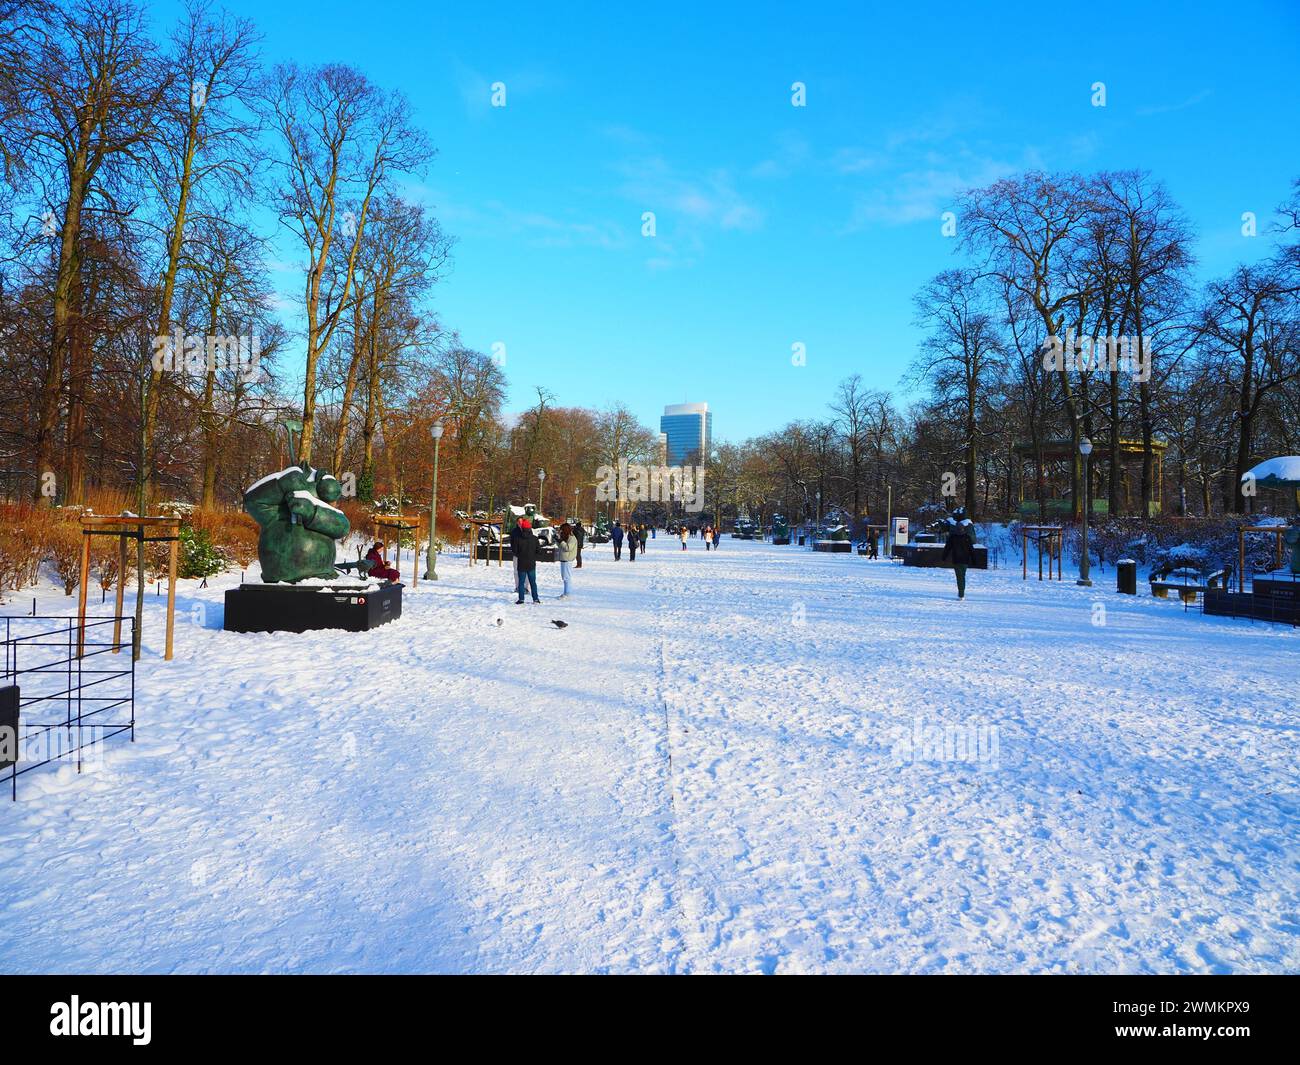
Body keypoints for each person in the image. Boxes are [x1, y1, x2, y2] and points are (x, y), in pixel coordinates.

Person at [941, 518, 976, 600]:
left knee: (959, 576)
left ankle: (961, 594)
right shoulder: (967, 537)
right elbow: (971, 549)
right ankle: (961, 593)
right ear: (963, 529)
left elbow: (947, 548)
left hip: (956, 560)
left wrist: (944, 557)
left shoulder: (953, 537)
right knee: (962, 576)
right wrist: (974, 559)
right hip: (965, 560)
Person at [509, 518, 541, 604]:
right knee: (533, 582)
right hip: (531, 563)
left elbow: (514, 550)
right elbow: (539, 551)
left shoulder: (518, 539)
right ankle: (535, 599)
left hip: (521, 563)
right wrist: (533, 556)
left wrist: (520, 555)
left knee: (521, 582)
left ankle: (521, 599)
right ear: (530, 528)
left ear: (522, 528)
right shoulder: (534, 539)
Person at [555, 521, 578, 598]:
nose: (561, 531)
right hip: (563, 559)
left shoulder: (572, 538)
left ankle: (567, 593)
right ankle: (566, 592)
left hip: (567, 559)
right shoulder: (566, 537)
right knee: (564, 577)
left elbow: (567, 548)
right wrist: (557, 540)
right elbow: (561, 547)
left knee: (567, 577)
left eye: (562, 530)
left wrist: (561, 541)